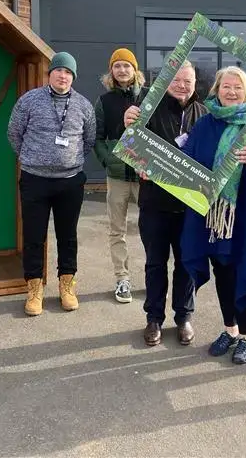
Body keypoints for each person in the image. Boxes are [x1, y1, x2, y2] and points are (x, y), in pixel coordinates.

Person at [179, 66, 246, 365]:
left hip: (244, 213)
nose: (232, 91)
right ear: (217, 90)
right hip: (211, 216)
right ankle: (230, 329)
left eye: (238, 87)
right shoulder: (206, 124)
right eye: (226, 86)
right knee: (222, 270)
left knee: (241, 269)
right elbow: (189, 161)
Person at [123, 61, 207, 347]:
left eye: (188, 81)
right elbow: (131, 142)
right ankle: (154, 319)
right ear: (166, 81)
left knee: (186, 265)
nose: (182, 86)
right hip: (155, 204)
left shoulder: (204, 114)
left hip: (189, 209)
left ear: (195, 82)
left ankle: (183, 317)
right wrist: (129, 125)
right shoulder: (147, 107)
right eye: (177, 80)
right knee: (155, 264)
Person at [7, 51, 96, 316]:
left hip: (70, 182)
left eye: (68, 72)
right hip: (35, 180)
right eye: (59, 70)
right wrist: (31, 158)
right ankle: (34, 289)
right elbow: (14, 133)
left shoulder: (83, 105)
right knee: (34, 236)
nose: (63, 75)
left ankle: (66, 286)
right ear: (50, 73)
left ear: (73, 77)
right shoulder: (30, 100)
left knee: (68, 236)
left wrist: (70, 160)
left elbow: (89, 140)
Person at [93, 48, 147, 303]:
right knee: (117, 230)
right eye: (117, 66)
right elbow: (97, 137)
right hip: (117, 177)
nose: (122, 70)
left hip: (145, 177)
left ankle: (153, 276)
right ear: (111, 71)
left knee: (152, 229)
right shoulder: (104, 102)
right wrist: (109, 161)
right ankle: (122, 278)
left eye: (127, 65)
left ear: (135, 70)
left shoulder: (149, 98)